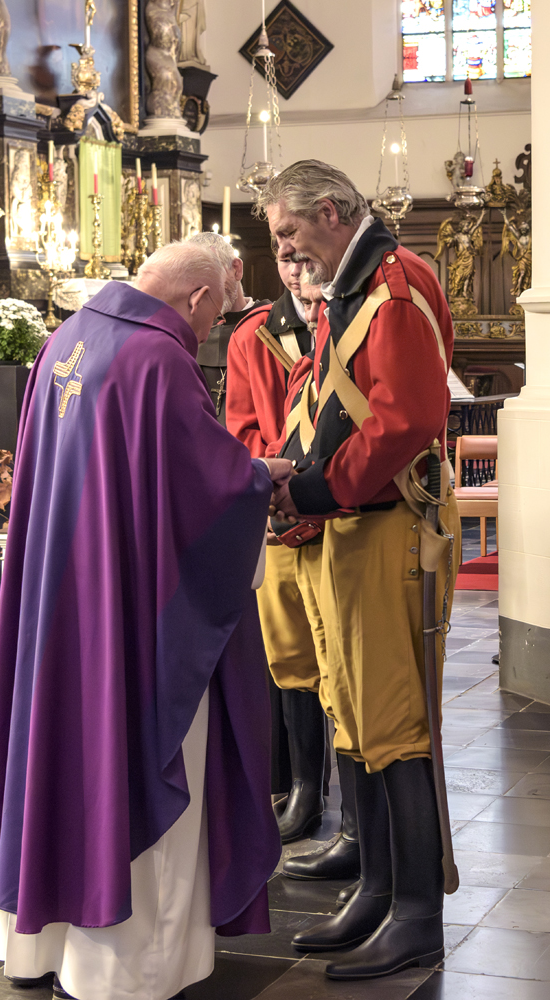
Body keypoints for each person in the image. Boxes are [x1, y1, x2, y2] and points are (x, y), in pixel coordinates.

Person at [0, 242, 289, 1000]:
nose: (211, 329)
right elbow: (203, 488)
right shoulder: (158, 360)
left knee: (58, 753)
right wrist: (257, 479)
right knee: (137, 759)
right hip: (137, 618)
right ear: (199, 297)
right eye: (218, 313)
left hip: (61, 602)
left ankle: (38, 950)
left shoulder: (66, 339)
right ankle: (130, 972)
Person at [258, 160, 462, 980]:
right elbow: (327, 403)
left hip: (387, 524)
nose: (285, 250)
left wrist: (314, 486)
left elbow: (406, 419)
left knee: (394, 722)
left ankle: (416, 915)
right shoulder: (351, 287)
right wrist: (295, 475)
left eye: (290, 231)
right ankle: (374, 891)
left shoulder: (394, 285)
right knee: (352, 711)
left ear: (334, 212)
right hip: (346, 521)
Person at [224, 251, 347, 854]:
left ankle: (355, 810)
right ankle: (303, 790)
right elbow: (241, 426)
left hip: (341, 508)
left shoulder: (350, 318)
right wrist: (278, 474)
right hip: (276, 512)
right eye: (284, 259)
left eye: (303, 258)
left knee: (345, 662)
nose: (296, 272)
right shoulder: (253, 335)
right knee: (290, 655)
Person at [185, 230, 269, 421]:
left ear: (236, 269)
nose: (206, 290)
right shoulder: (192, 334)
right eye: (196, 283)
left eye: (212, 276)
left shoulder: (270, 325)